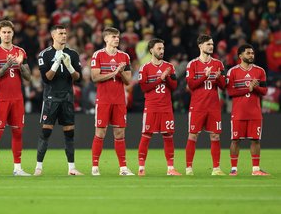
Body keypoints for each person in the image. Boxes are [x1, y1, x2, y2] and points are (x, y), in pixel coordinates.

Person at [34, 25, 83, 176]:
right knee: (45, 132)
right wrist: (56, 64)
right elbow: (46, 78)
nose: (64, 36)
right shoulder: (44, 55)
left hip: (67, 98)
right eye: (60, 33)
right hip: (51, 98)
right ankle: (38, 168)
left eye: (65, 33)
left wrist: (69, 66)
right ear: (53, 35)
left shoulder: (73, 54)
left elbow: (78, 78)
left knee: (69, 134)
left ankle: (71, 168)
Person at [0, 20, 32, 176]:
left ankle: (17, 168)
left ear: (13, 33)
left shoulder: (21, 51)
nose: (6, 35)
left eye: (9, 32)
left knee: (18, 132)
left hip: (17, 99)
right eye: (4, 32)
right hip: (2, 98)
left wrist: (19, 65)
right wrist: (7, 65)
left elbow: (28, 77)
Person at [90, 27, 134, 176]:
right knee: (100, 132)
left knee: (120, 133)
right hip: (103, 100)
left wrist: (120, 73)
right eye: (114, 37)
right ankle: (95, 167)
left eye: (118, 36)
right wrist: (113, 73)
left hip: (119, 100)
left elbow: (128, 81)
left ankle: (123, 168)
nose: (117, 39)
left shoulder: (125, 57)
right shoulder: (98, 55)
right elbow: (95, 77)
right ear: (106, 39)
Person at [137, 38, 181, 176]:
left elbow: (174, 86)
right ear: (151, 50)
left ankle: (170, 168)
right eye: (158, 48)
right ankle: (141, 168)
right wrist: (160, 78)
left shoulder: (169, 67)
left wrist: (167, 77)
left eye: (162, 48)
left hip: (166, 107)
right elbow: (144, 88)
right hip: (151, 107)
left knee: (168, 136)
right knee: (146, 135)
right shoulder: (144, 68)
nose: (162, 51)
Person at [185, 34, 226, 176]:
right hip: (197, 106)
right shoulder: (192, 64)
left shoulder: (218, 64)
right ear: (200, 46)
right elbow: (190, 85)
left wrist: (218, 77)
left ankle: (216, 168)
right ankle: (189, 168)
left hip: (213, 106)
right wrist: (205, 75)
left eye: (212, 44)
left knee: (215, 136)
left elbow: (224, 86)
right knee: (193, 135)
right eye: (208, 44)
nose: (211, 47)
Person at [226, 44, 269, 176]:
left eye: (252, 53)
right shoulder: (232, 72)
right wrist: (248, 88)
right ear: (240, 56)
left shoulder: (260, 71)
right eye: (248, 53)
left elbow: (265, 91)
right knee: (235, 140)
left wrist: (255, 88)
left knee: (255, 140)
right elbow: (230, 92)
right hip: (238, 113)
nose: (251, 55)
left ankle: (255, 169)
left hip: (255, 112)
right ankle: (234, 169)